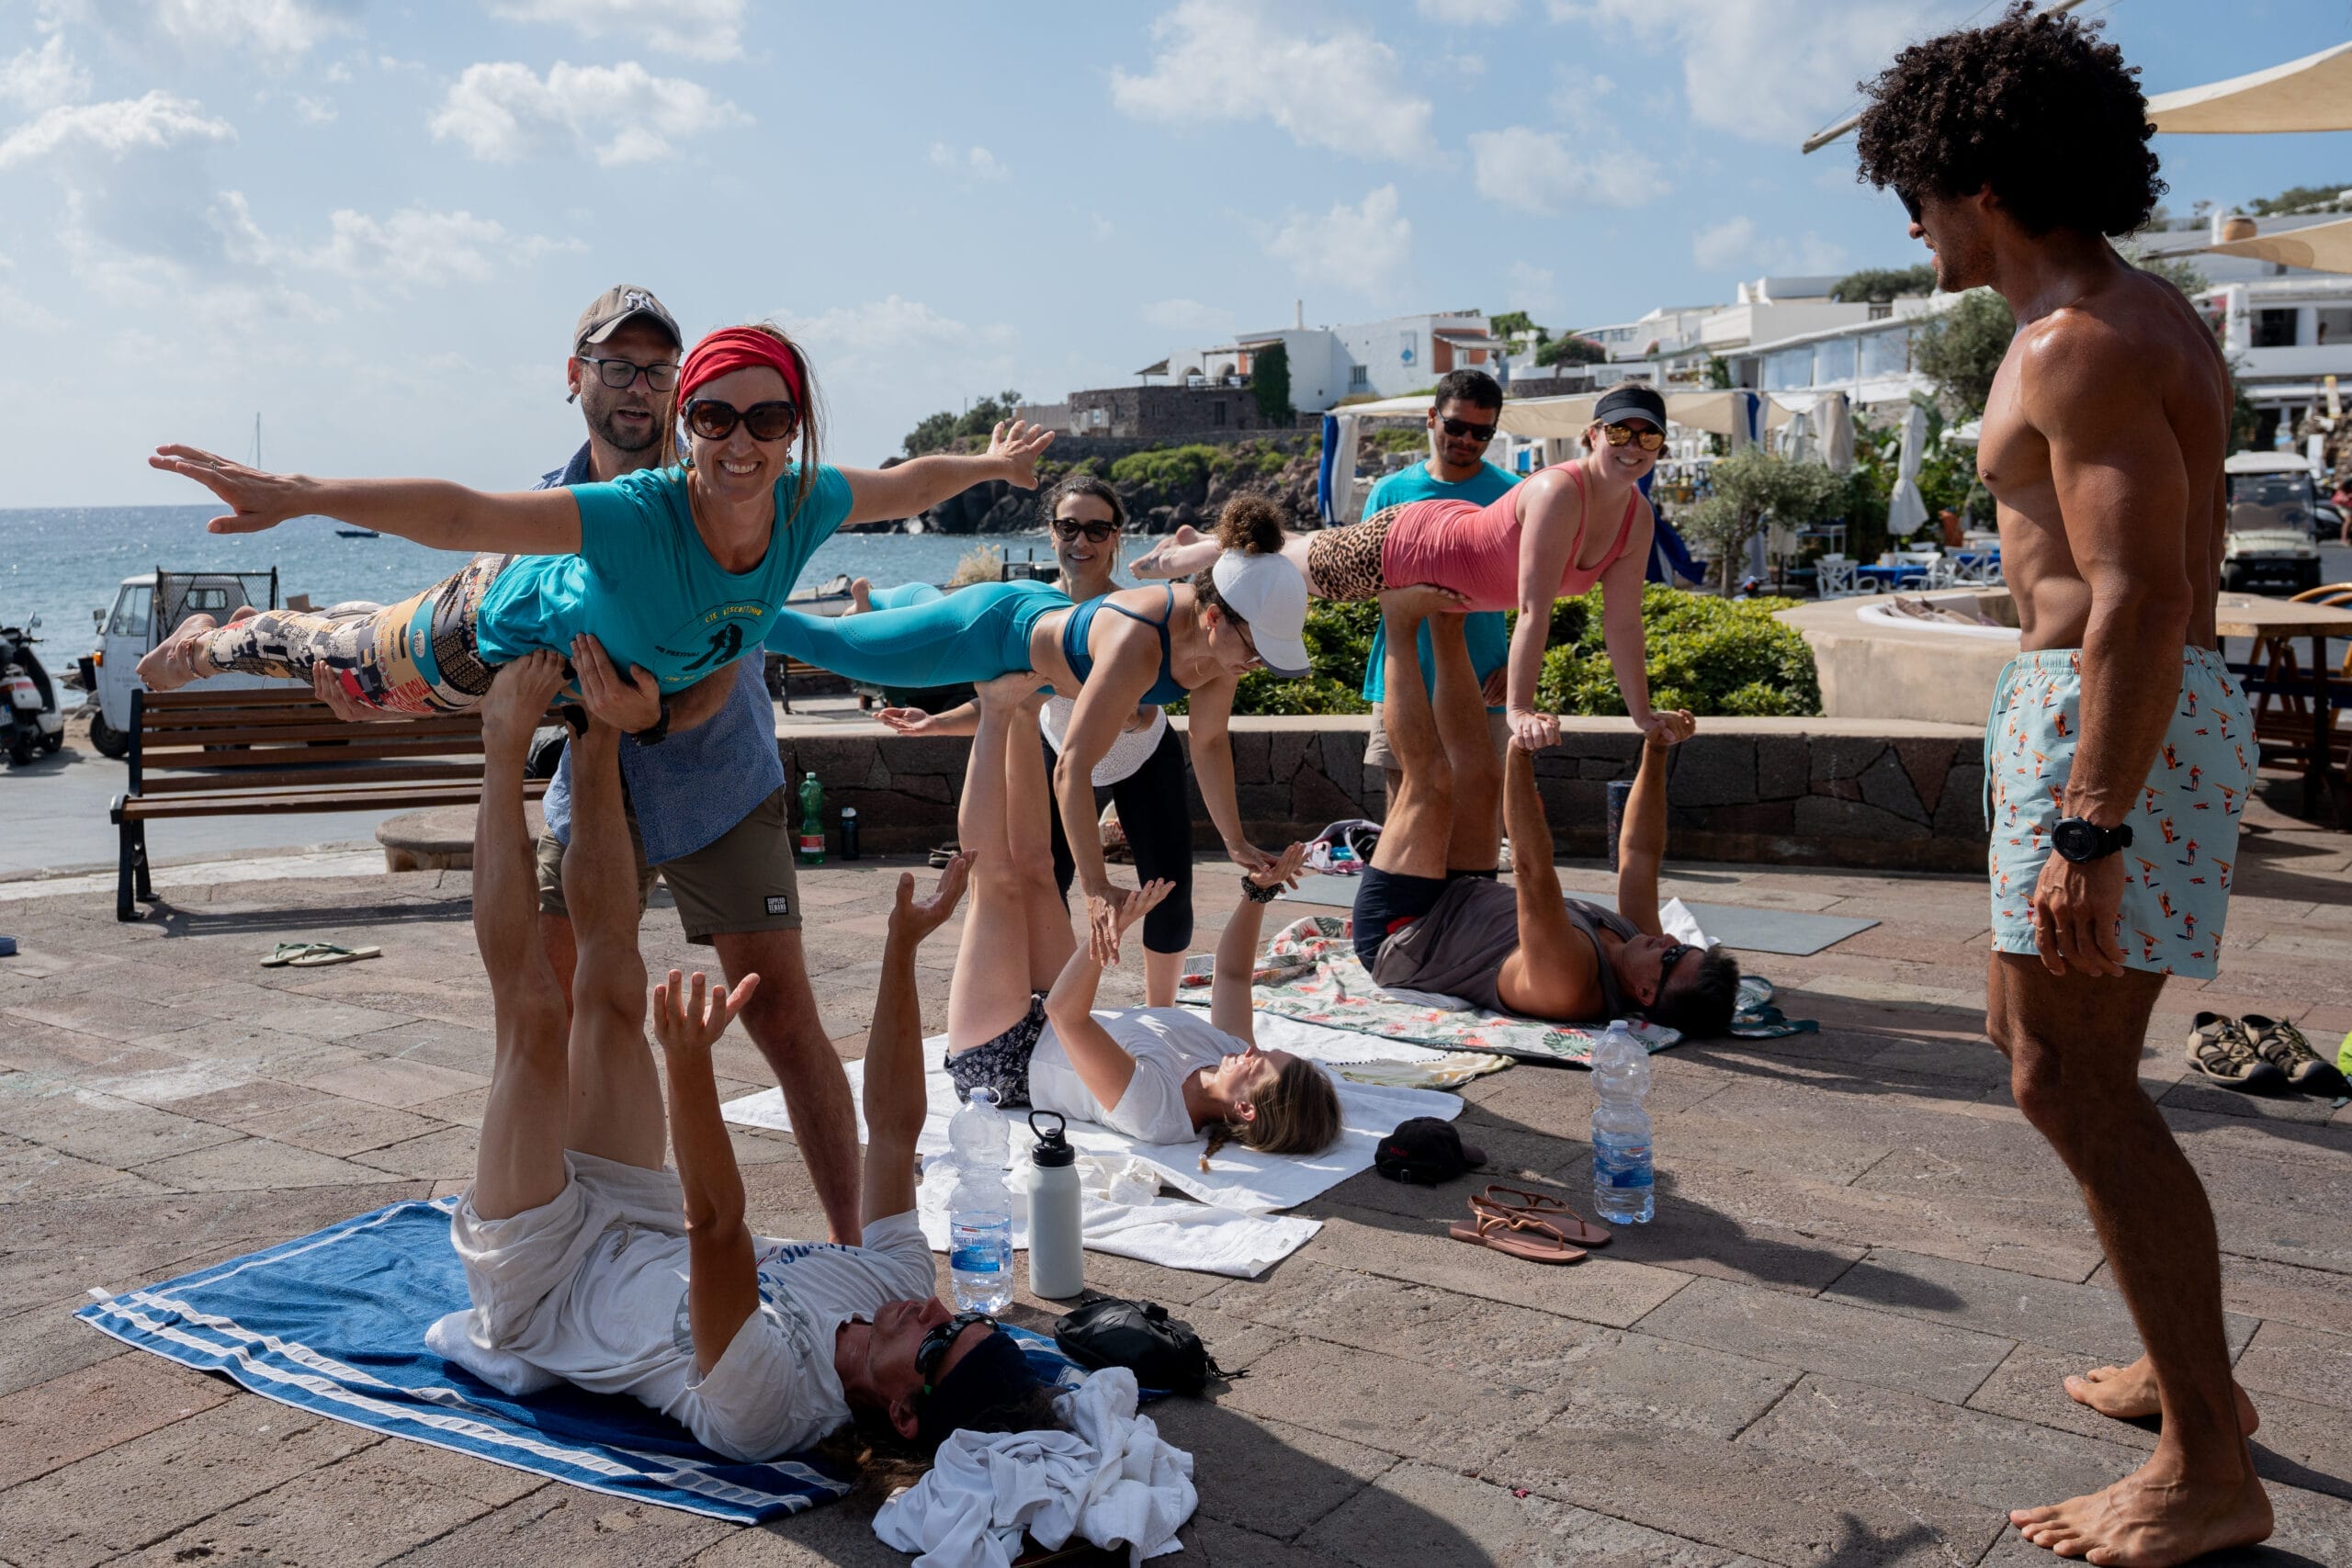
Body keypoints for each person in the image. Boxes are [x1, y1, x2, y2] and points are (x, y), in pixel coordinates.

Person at [1856, 6, 2269, 1562]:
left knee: (2072, 1080)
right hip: (2085, 715)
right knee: (2040, 1052)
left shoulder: (2086, 339)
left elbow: (2142, 600)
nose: (1911, 219)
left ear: (1984, 179)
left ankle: (2211, 1466)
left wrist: (2087, 824)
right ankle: (2193, 1382)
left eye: (1920, 185)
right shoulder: (2117, 315)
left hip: (2115, 728)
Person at [450, 651, 1057, 1466]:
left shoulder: (774, 1407)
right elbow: (895, 1126)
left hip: (546, 1280)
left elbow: (718, 1225)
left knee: (531, 1019)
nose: (929, 1309)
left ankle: (497, 744)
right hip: (637, 1216)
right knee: (609, 986)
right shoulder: (890, 1293)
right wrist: (901, 950)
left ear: (906, 1414)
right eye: (951, 1315)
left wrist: (690, 1066)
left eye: (937, 1339)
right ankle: (591, 732)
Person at [138, 323, 1053, 716]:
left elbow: (911, 483)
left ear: (796, 431)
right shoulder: (636, 512)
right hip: (470, 641)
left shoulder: (808, 497)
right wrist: (301, 493)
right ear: (683, 427)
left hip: (579, 678)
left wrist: (990, 465)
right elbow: (465, 512)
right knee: (320, 654)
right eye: (714, 417)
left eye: (769, 420)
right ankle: (205, 644)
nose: (742, 443)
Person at [768, 498, 1312, 965]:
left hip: (1047, 622)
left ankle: (894, 599)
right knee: (831, 644)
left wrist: (1236, 843)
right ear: (1215, 618)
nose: (1258, 664)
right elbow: (1073, 769)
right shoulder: (1140, 642)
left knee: (908, 622)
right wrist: (1096, 886)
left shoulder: (1222, 656)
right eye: (1257, 649)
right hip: (993, 628)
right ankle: (725, 601)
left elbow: (1210, 741)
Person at [933, 671, 1341, 1164]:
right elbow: (1233, 975)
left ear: (1244, 1111)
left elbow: (1066, 1013)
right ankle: (1022, 710)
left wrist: (1113, 928)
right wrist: (1258, 894)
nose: (1252, 1052)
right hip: (1050, 1020)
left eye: (1258, 1069)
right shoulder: (1229, 1057)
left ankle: (993, 711)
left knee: (996, 884)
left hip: (1004, 1060)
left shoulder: (1158, 1110)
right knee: (1039, 870)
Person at [1130, 381, 1669, 750]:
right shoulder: (1558, 490)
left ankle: (1205, 542)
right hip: (1415, 545)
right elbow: (1532, 610)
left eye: (1649, 436)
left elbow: (1622, 622)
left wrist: (1643, 715)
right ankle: (1204, 549)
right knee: (1295, 563)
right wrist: (1520, 710)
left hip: (1454, 535)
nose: (1633, 446)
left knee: (1303, 549)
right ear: (1594, 434)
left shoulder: (1636, 517)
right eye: (1621, 432)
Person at [874, 474, 1201, 1005]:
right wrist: (937, 722)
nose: (1082, 542)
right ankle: (1053, 1001)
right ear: (1051, 533)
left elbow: (1144, 709)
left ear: (1117, 537)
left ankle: (1164, 1014)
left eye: (1098, 529)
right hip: (1058, 751)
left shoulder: (1136, 608)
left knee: (1168, 890)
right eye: (1069, 527)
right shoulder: (1032, 610)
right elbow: (1004, 698)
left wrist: (1133, 720)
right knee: (1043, 876)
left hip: (1142, 755)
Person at [1353, 587, 1740, 1036]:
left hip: (1405, 933)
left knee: (1431, 781)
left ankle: (1398, 621)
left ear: (1647, 994)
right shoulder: (1639, 947)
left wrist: (1519, 754)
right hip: (1463, 897)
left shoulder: (1569, 984)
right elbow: (1638, 853)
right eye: (1683, 945)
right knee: (1479, 775)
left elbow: (1532, 868)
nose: (1669, 940)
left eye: (1672, 957)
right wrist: (1657, 752)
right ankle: (1448, 619)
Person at [1355, 370, 1518, 809]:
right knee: (1403, 809)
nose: (1467, 439)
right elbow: (1366, 581)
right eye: (1456, 426)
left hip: (1486, 681)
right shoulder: (1390, 492)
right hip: (1402, 676)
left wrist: (1519, 668)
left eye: (1481, 432)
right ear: (1431, 418)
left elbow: (1538, 594)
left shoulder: (1514, 494)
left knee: (1478, 808)